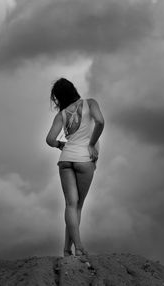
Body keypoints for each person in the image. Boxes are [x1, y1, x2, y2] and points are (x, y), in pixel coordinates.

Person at [46, 78, 105, 257]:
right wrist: (91, 144)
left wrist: (61, 145)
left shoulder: (61, 114)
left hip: (65, 159)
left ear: (58, 97)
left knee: (70, 206)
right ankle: (78, 248)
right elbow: (100, 121)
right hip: (84, 159)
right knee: (77, 207)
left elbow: (49, 139)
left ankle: (67, 250)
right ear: (73, 89)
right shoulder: (90, 103)